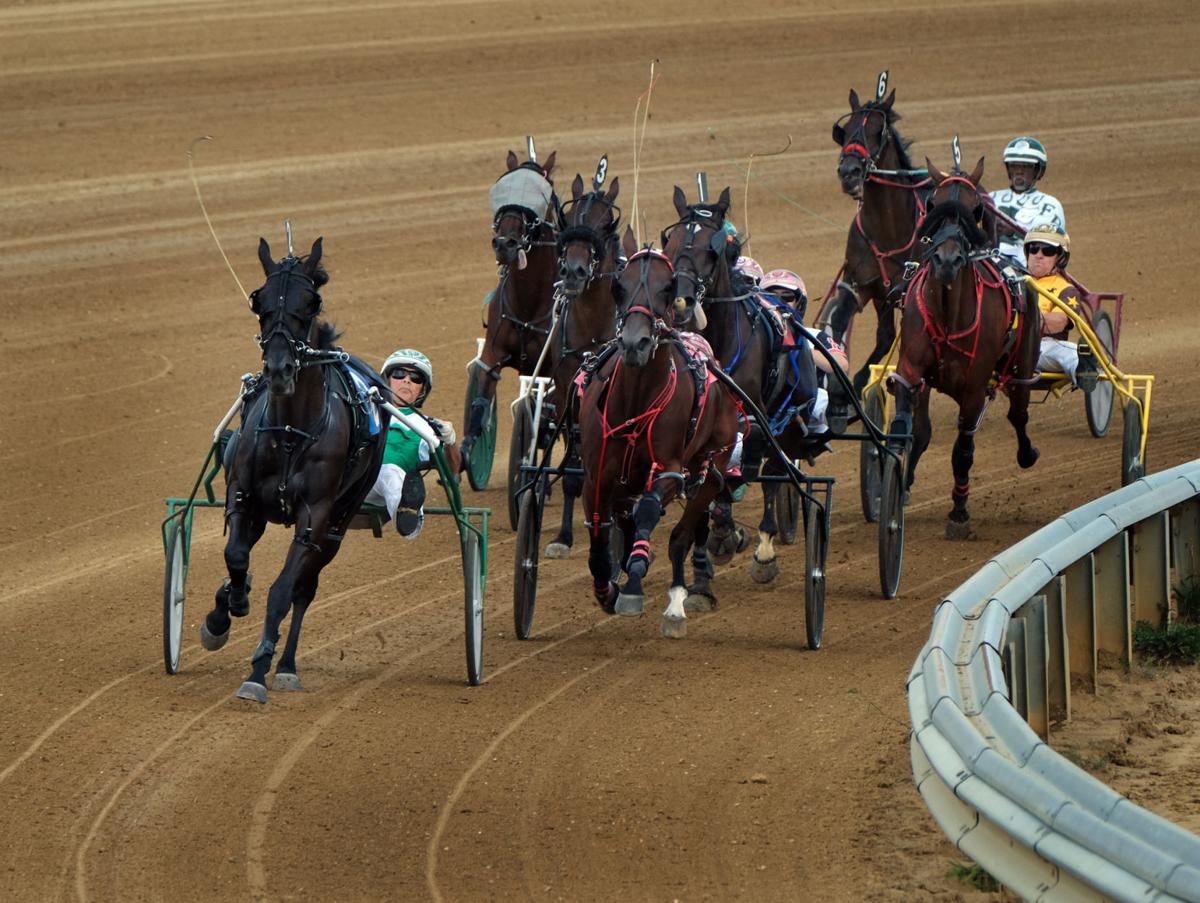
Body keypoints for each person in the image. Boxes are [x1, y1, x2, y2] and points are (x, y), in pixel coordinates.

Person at [365, 349, 459, 539]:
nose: (407, 380)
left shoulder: (428, 427)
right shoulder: (364, 408)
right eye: (399, 374)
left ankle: (409, 518)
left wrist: (449, 442)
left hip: (376, 483)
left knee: (390, 472)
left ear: (422, 390)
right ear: (387, 379)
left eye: (415, 378)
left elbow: (451, 473)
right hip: (345, 477)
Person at [760, 268, 849, 435]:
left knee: (822, 399)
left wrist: (803, 350)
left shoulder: (813, 335)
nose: (779, 302)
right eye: (770, 297)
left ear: (799, 303)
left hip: (809, 403)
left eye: (787, 297)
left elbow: (842, 364)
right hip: (763, 401)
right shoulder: (757, 338)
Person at [1024, 225, 1095, 387]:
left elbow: (1059, 321)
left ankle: (1083, 369)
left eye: (1047, 251)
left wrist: (1019, 321)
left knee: (1067, 351)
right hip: (1001, 346)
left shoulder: (1066, 289)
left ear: (1060, 258)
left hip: (1039, 348)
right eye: (1033, 249)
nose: (1038, 255)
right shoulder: (1009, 278)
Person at [989, 136, 1066, 265]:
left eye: (1026, 166)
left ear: (1037, 171)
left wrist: (1013, 231)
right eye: (1014, 166)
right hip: (987, 260)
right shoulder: (991, 197)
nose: (1019, 171)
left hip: (1024, 266)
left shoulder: (1050, 204)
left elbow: (1050, 243)